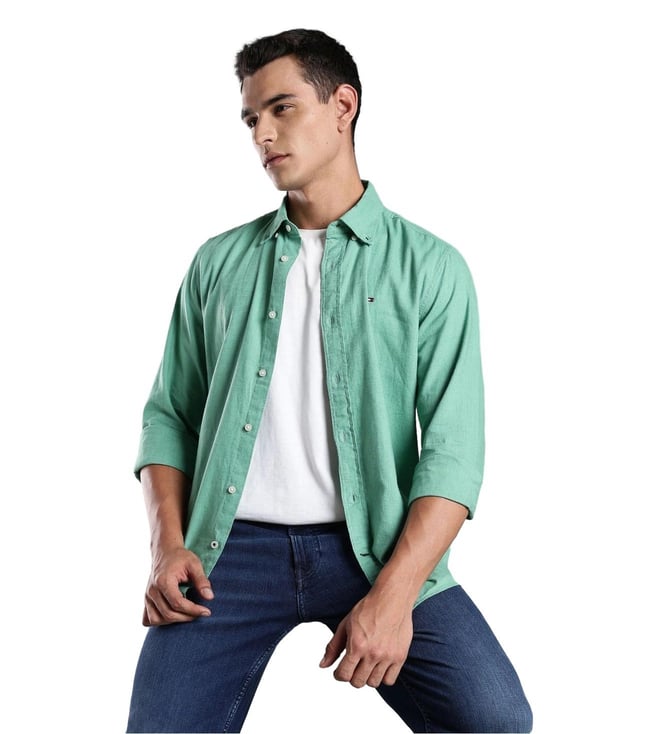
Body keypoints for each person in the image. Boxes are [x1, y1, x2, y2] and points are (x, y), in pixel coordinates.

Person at [126, 28, 533, 734]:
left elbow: (453, 455)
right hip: (228, 553)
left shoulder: (430, 267)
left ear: (343, 105)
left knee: (495, 718)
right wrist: (168, 545)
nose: (263, 134)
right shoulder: (217, 263)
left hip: (373, 547)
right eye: (252, 119)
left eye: (282, 108)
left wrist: (396, 596)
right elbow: (169, 416)